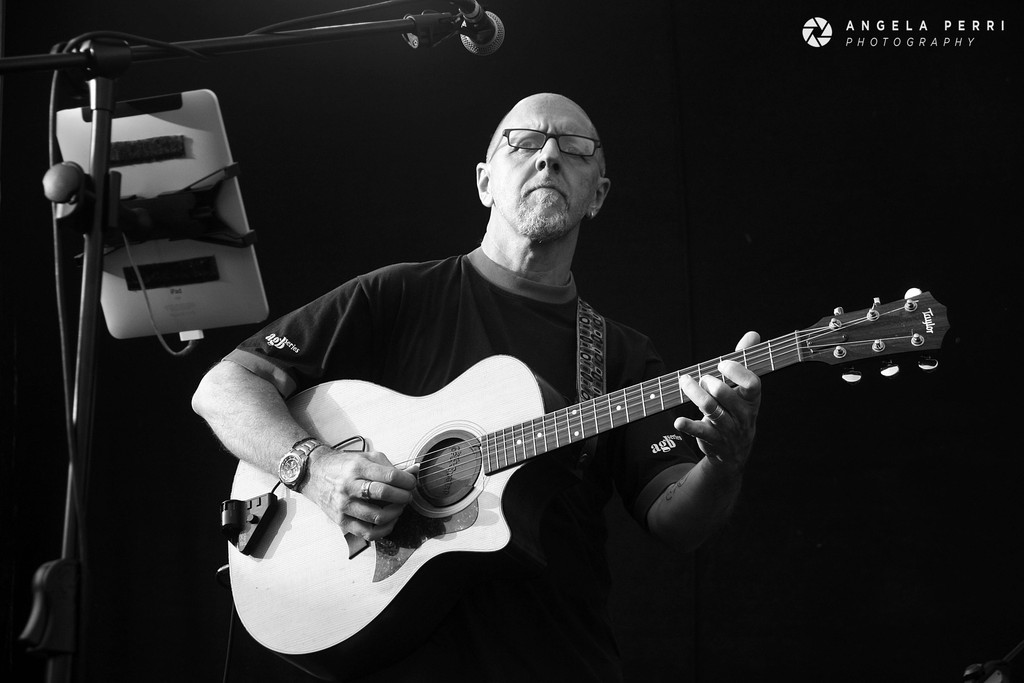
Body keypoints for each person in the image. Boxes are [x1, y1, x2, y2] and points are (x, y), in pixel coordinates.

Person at [192, 92, 761, 681]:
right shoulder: (397, 297)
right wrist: (314, 468)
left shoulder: (619, 353)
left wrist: (726, 462)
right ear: (486, 182)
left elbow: (677, 520)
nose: (548, 157)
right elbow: (225, 386)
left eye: (575, 148)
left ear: (598, 195)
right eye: (524, 142)